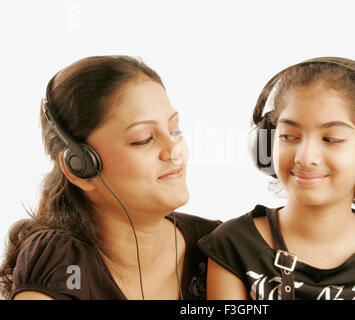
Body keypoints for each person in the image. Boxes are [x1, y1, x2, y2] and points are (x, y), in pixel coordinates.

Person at [198, 57, 355, 300]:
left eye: (331, 139)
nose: (305, 157)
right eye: (288, 136)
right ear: (266, 143)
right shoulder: (233, 246)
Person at [0, 55, 220, 300]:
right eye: (143, 139)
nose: (174, 150)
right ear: (81, 168)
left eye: (174, 130)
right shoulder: (59, 262)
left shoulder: (218, 247)